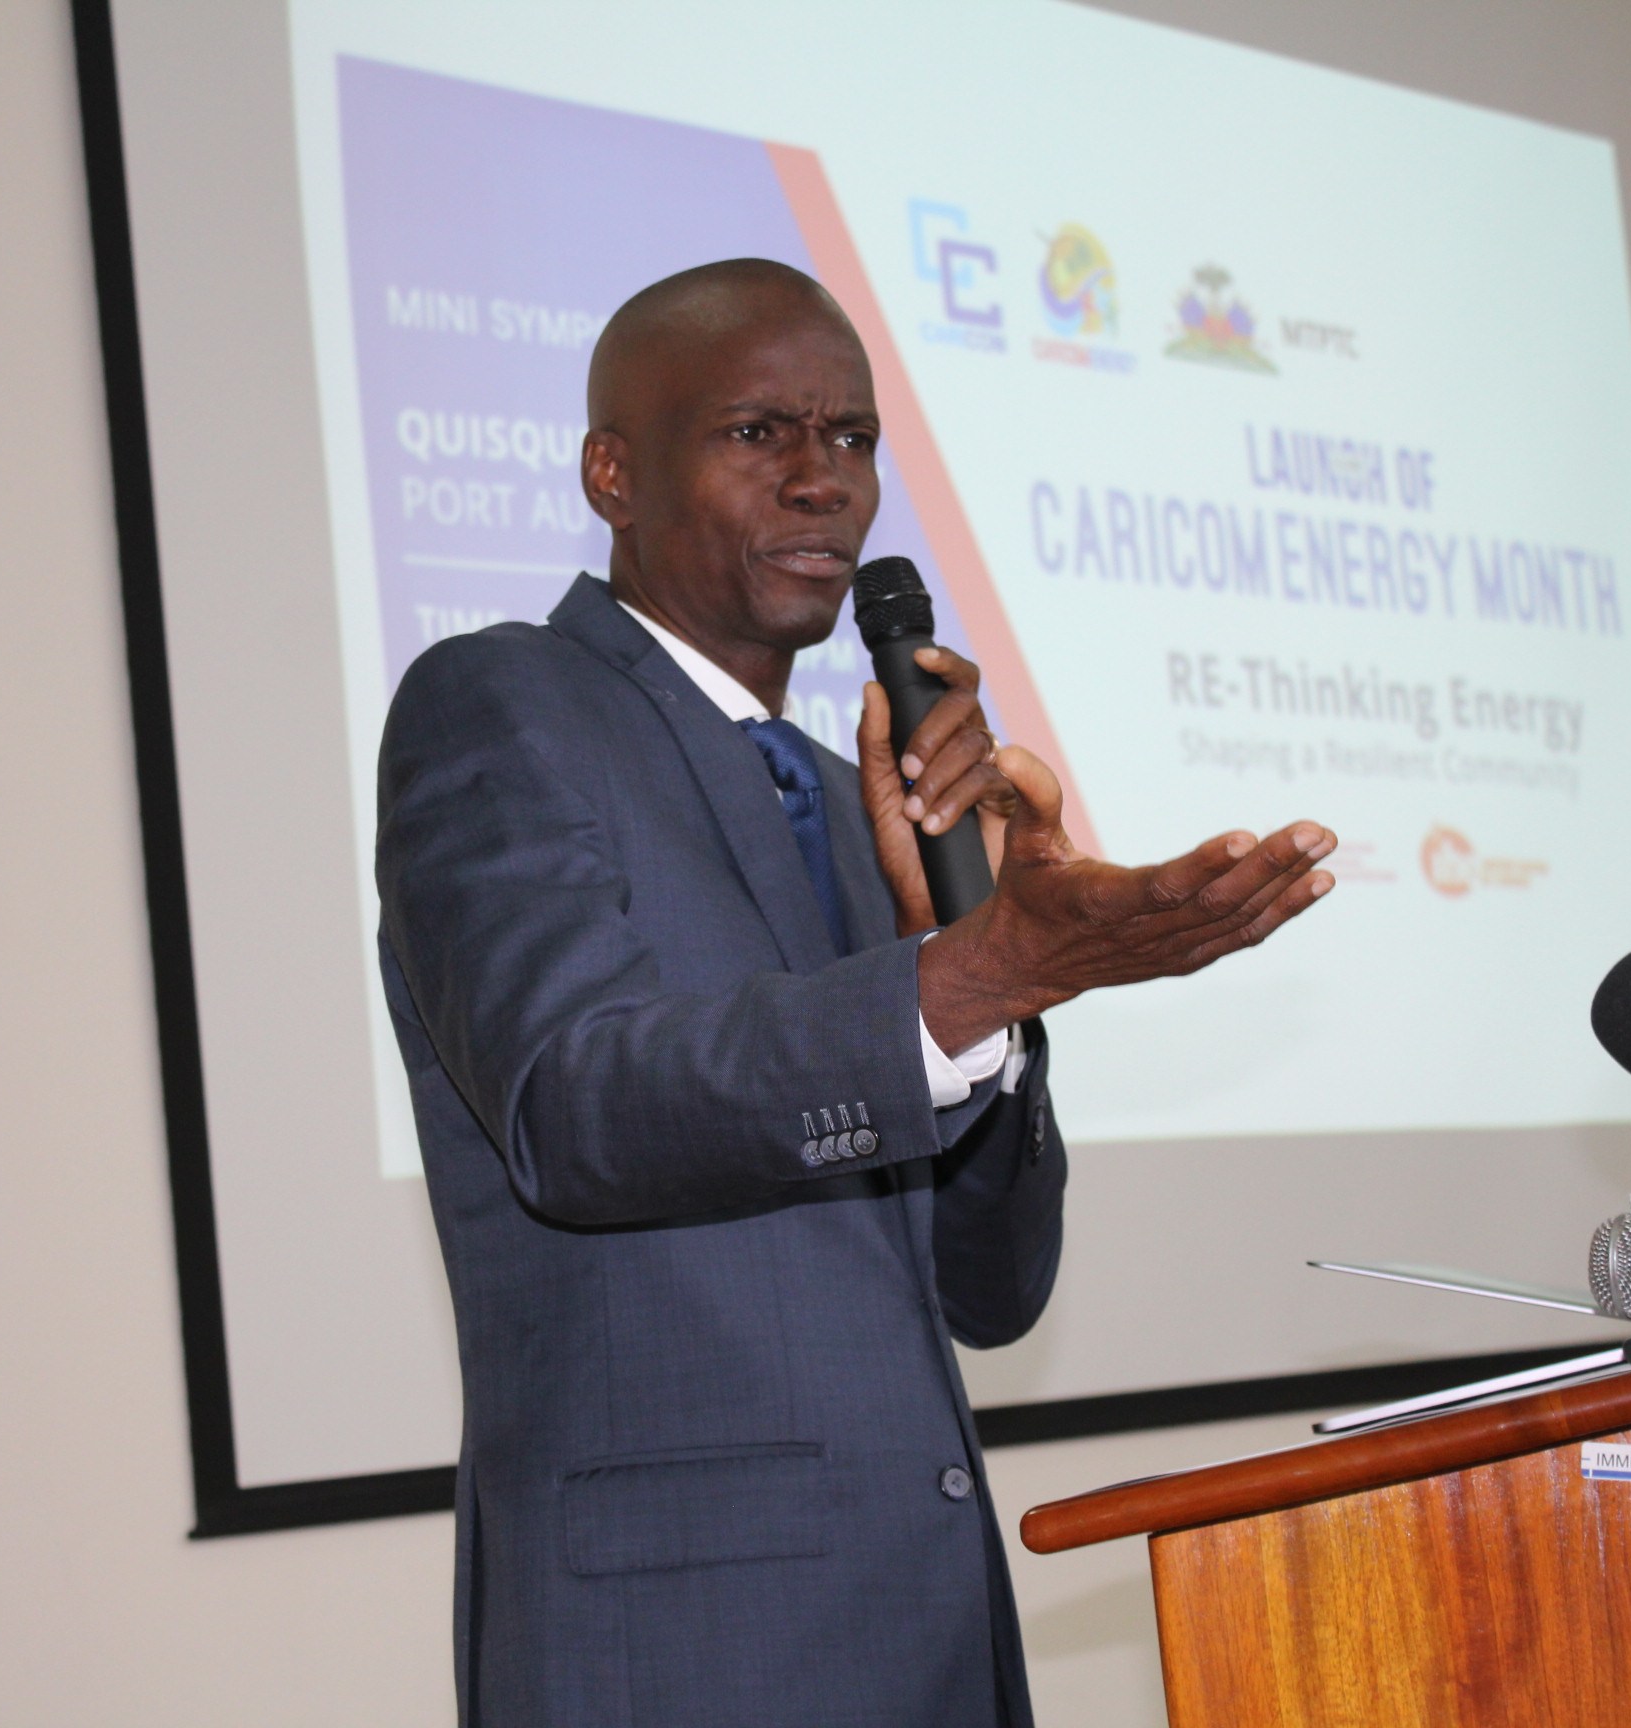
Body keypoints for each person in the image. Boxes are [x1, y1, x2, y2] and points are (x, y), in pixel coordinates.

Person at [376, 257, 1336, 1726]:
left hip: (934, 1636)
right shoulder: (501, 704)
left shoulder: (859, 802)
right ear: (613, 471)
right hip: (684, 1655)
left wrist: (985, 978)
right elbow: (574, 1109)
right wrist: (971, 973)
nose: (826, 481)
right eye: (760, 433)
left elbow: (991, 1293)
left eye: (856, 439)